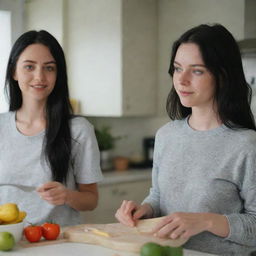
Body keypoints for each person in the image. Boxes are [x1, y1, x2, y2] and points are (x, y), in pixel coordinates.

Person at [115, 24, 256, 255]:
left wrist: (206, 221)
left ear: (222, 76)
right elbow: (159, 196)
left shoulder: (246, 145)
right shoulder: (166, 135)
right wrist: (144, 210)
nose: (182, 80)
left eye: (197, 71)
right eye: (178, 69)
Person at [0, 30, 103, 226]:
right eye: (29, 67)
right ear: (14, 71)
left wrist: (67, 196)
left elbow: (91, 199)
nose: (39, 76)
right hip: (7, 242)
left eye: (49, 68)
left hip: (58, 243)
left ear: (58, 74)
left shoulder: (78, 129)